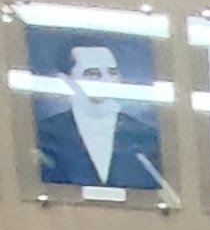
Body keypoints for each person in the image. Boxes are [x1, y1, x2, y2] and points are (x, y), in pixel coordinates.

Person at [33, 35, 164, 191]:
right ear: (66, 80)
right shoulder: (43, 135)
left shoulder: (147, 137)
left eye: (112, 72)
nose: (107, 81)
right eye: (93, 74)